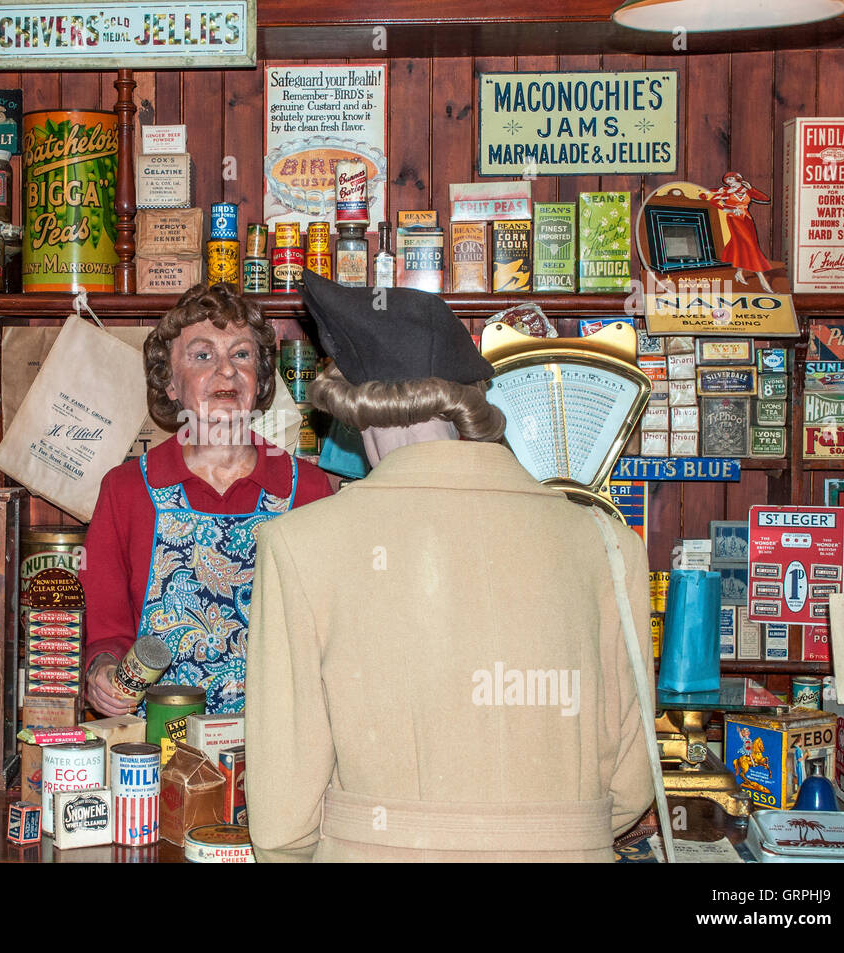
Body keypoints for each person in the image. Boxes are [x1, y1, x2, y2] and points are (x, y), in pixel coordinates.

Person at [244, 271, 654, 862]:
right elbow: (629, 786)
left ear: (357, 410)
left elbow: (284, 819)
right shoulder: (609, 543)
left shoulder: (299, 544)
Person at [81, 283, 332, 717]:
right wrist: (102, 672)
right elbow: (105, 631)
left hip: (275, 744)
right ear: (170, 383)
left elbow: (330, 637)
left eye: (241, 355)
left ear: (260, 377)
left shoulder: (307, 490)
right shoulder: (126, 490)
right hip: (155, 752)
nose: (227, 371)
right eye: (202, 356)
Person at [701, 171, 773, 292]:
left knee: (743, 245)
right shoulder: (725, 191)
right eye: (727, 180)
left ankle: (739, 273)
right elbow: (713, 202)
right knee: (750, 246)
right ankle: (762, 279)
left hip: (747, 220)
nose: (729, 182)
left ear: (738, 179)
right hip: (734, 220)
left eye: (731, 179)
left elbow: (765, 198)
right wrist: (731, 209)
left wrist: (752, 188)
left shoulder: (747, 190)